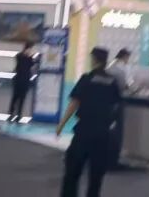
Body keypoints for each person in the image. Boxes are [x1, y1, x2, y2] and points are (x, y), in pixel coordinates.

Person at [57, 47, 122, 197]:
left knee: (72, 172)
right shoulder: (112, 82)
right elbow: (116, 106)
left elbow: (74, 103)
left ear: (94, 59)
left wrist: (61, 124)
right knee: (96, 176)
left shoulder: (86, 79)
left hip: (84, 131)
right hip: (103, 134)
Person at [106, 49, 132, 170]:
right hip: (118, 103)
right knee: (118, 131)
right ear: (125, 56)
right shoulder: (121, 69)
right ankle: (114, 159)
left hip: (108, 104)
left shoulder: (110, 67)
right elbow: (124, 86)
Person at [9, 41, 37, 123]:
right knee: (15, 97)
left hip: (25, 80)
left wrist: (30, 57)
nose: (30, 51)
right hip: (19, 80)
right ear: (27, 49)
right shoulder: (20, 56)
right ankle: (11, 113)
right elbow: (18, 59)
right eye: (30, 49)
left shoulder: (29, 58)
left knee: (22, 98)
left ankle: (18, 114)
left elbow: (32, 64)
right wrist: (27, 56)